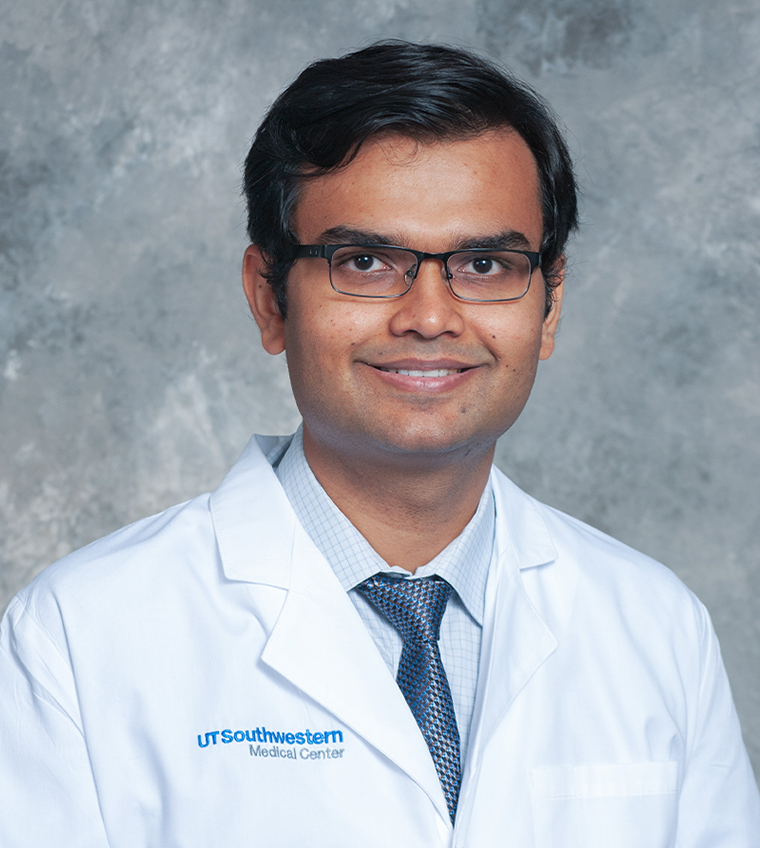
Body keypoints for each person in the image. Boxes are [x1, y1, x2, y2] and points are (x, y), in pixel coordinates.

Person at [0, 41, 758, 848]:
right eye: (364, 260)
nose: (430, 316)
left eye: (485, 262)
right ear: (268, 299)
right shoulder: (82, 635)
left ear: (550, 302)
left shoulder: (655, 625)